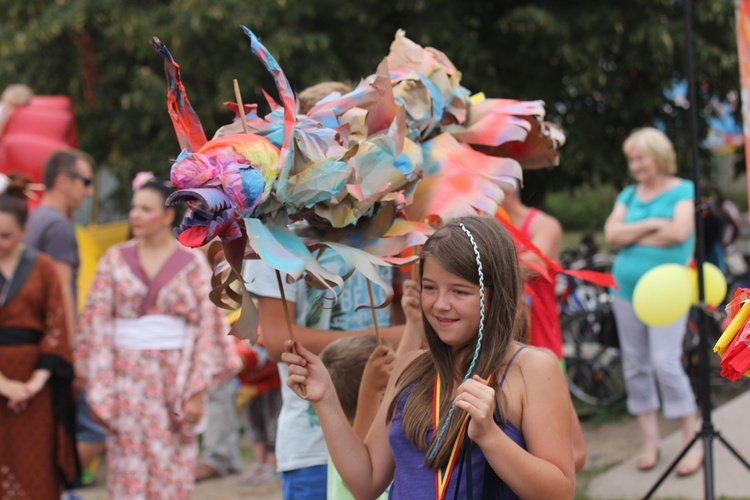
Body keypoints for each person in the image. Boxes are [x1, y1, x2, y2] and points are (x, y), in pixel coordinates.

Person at [283, 215, 575, 499]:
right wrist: (325, 399)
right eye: (430, 288)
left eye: (460, 292)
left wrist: (491, 437)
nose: (440, 304)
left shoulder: (532, 368)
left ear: (497, 294)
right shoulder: (410, 366)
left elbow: (560, 493)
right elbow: (366, 483)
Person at [76, 173, 240, 499]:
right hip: (124, 378)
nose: (135, 215)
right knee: (127, 468)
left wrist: (195, 391)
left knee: (172, 467)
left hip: (175, 379)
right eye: (134, 208)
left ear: (167, 216)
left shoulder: (192, 265)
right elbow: (94, 325)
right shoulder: (113, 261)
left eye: (145, 209)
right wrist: (99, 386)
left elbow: (207, 328)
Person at [243, 249, 403, 499]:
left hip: (391, 437)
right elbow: (276, 339)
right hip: (313, 445)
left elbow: (404, 308)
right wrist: (390, 339)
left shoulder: (387, 220)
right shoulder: (269, 235)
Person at [604, 127, 702, 476]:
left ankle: (692, 440)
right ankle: (651, 441)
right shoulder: (630, 194)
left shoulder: (684, 189)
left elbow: (679, 233)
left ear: (658, 155)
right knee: (635, 365)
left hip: (667, 293)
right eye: (631, 159)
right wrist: (654, 224)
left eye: (640, 157)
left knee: (665, 362)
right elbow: (611, 234)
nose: (635, 165)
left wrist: (635, 232)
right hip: (625, 291)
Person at [22, 148, 106, 482]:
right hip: (55, 346)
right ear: (62, 180)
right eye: (85, 182)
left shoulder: (35, 219)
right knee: (97, 424)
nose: (89, 191)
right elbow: (61, 297)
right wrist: (74, 354)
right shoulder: (57, 226)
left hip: (33, 343)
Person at [0, 174, 78, 498]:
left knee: (37, 470)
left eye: (5, 235)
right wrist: (4, 384)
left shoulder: (43, 267)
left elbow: (56, 326)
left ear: (24, 232)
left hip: (38, 384)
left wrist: (33, 382)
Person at [319, 335, 394, 500]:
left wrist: (414, 325)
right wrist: (370, 392)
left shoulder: (339, 443)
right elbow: (364, 469)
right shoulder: (348, 450)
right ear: (383, 397)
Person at [499, 181, 564, 359]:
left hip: (543, 343)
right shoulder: (491, 228)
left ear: (508, 192)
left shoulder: (545, 225)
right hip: (503, 347)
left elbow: (533, 263)